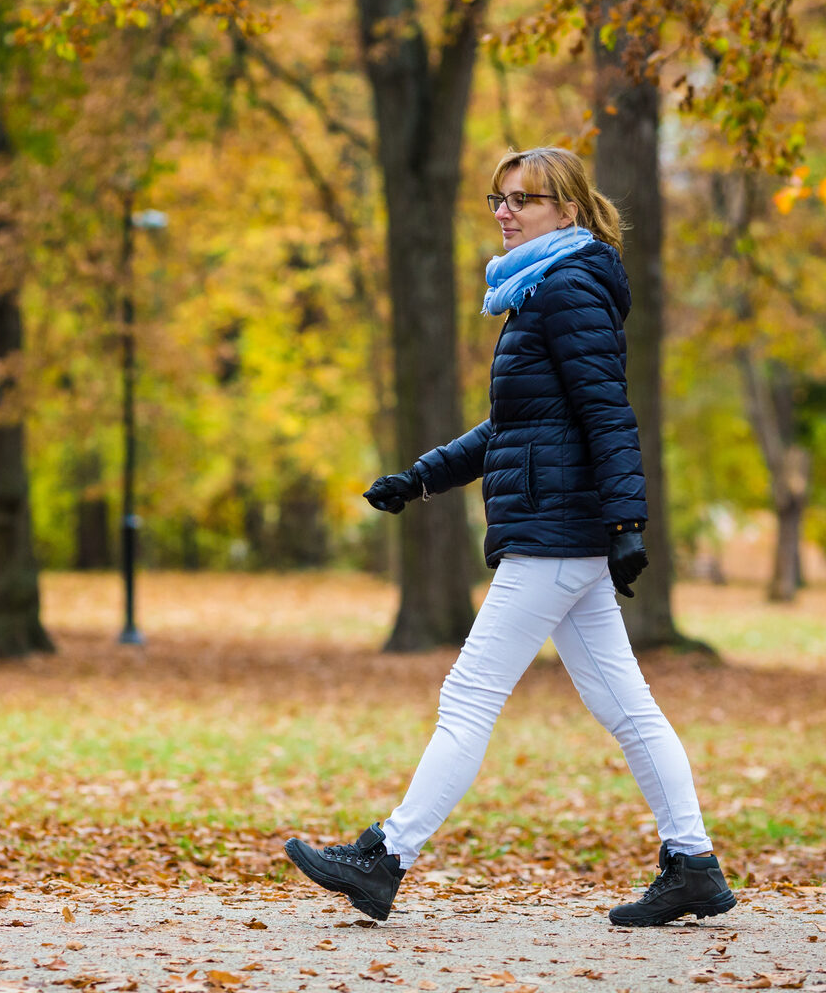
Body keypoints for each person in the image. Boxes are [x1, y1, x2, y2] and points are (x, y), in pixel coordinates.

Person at [283, 146, 735, 928]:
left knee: (470, 694)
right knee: (626, 705)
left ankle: (385, 857)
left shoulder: (567, 288)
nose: (505, 211)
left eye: (523, 199)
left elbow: (607, 412)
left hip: (557, 530)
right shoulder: (544, 288)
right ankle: (692, 863)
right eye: (499, 197)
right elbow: (517, 424)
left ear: (566, 209)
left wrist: (629, 524)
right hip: (560, 525)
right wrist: (421, 478)